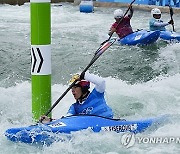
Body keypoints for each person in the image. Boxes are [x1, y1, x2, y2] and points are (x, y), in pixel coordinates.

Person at [40, 72, 113, 123]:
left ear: (83, 88)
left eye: (75, 87)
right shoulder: (74, 107)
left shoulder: (97, 94)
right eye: (71, 88)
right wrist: (50, 120)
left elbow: (101, 82)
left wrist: (83, 75)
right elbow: (67, 119)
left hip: (109, 122)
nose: (72, 91)